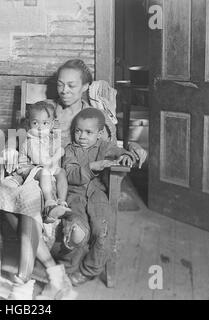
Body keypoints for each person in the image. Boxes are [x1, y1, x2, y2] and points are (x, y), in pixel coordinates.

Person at [0, 59, 148, 299]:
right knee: (7, 199)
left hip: (63, 179)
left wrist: (134, 146)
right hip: (35, 171)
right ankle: (52, 273)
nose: (64, 90)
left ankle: (32, 277)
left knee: (26, 205)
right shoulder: (48, 108)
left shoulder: (91, 115)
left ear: (85, 87)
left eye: (72, 86)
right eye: (61, 85)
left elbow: (111, 144)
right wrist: (11, 147)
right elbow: (21, 131)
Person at [62, 108, 134, 284]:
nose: (82, 136)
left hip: (97, 193)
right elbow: (70, 174)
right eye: (78, 131)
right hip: (74, 194)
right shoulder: (70, 150)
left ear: (100, 134)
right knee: (76, 228)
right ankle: (68, 267)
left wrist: (125, 155)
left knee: (102, 230)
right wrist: (92, 166)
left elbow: (117, 150)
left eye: (88, 132)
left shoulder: (103, 146)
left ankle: (89, 270)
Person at [16, 101, 71, 223]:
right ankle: (49, 202)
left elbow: (55, 156)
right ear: (29, 124)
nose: (40, 127)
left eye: (45, 123)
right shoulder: (30, 141)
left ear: (52, 125)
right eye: (35, 123)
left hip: (46, 166)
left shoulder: (50, 139)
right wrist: (57, 155)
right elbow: (42, 161)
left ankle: (61, 202)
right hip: (28, 167)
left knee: (61, 172)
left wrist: (58, 153)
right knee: (44, 172)